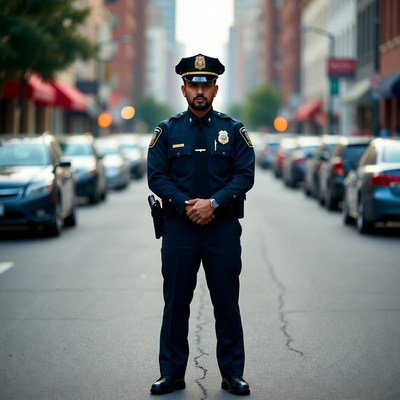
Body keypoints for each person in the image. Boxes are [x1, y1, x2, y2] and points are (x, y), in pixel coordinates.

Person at [147, 53, 255, 396]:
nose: (199, 89)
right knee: (176, 303)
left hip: (222, 229)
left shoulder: (233, 130)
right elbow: (156, 176)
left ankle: (232, 374)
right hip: (179, 228)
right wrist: (186, 205)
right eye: (193, 83)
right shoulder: (167, 131)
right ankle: (172, 374)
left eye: (205, 84)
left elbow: (244, 175)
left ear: (215, 88)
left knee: (226, 303)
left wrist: (214, 203)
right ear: (183, 88)